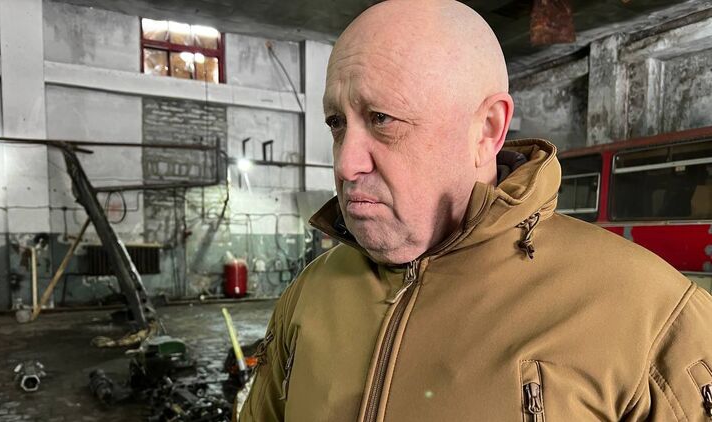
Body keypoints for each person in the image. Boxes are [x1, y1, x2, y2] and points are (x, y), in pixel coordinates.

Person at [240, 0, 712, 420]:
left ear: (486, 129)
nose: (346, 163)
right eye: (337, 122)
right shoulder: (307, 296)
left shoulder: (654, 318)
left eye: (382, 119)